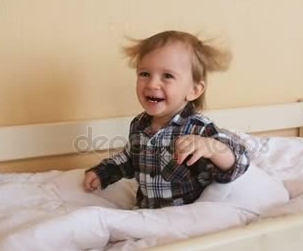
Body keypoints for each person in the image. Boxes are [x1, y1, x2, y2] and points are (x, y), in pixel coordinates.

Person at [82, 30, 250, 209]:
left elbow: (240, 163)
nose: (152, 84)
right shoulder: (139, 124)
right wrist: (103, 173)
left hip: (187, 214)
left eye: (167, 76)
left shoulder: (198, 128)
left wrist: (211, 148)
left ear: (193, 90)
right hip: (147, 211)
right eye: (144, 74)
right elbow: (129, 159)